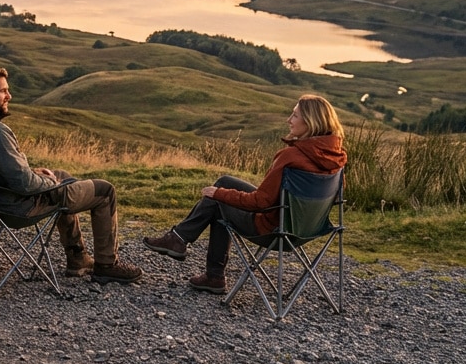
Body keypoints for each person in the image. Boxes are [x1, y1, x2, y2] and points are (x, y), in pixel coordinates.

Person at [0, 65, 143, 284]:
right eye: (3, 91)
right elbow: (24, 184)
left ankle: (78, 258)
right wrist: (50, 181)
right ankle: (107, 265)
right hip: (17, 207)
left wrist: (41, 175)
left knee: (64, 177)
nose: (9, 96)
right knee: (104, 191)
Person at [142, 94, 348, 294]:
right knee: (224, 182)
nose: (289, 120)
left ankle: (198, 260)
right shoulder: (337, 158)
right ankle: (184, 246)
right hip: (306, 230)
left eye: (294, 115)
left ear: (310, 122)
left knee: (217, 201)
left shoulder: (291, 156)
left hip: (275, 230)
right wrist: (222, 191)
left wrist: (219, 194)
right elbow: (336, 199)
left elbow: (261, 202)